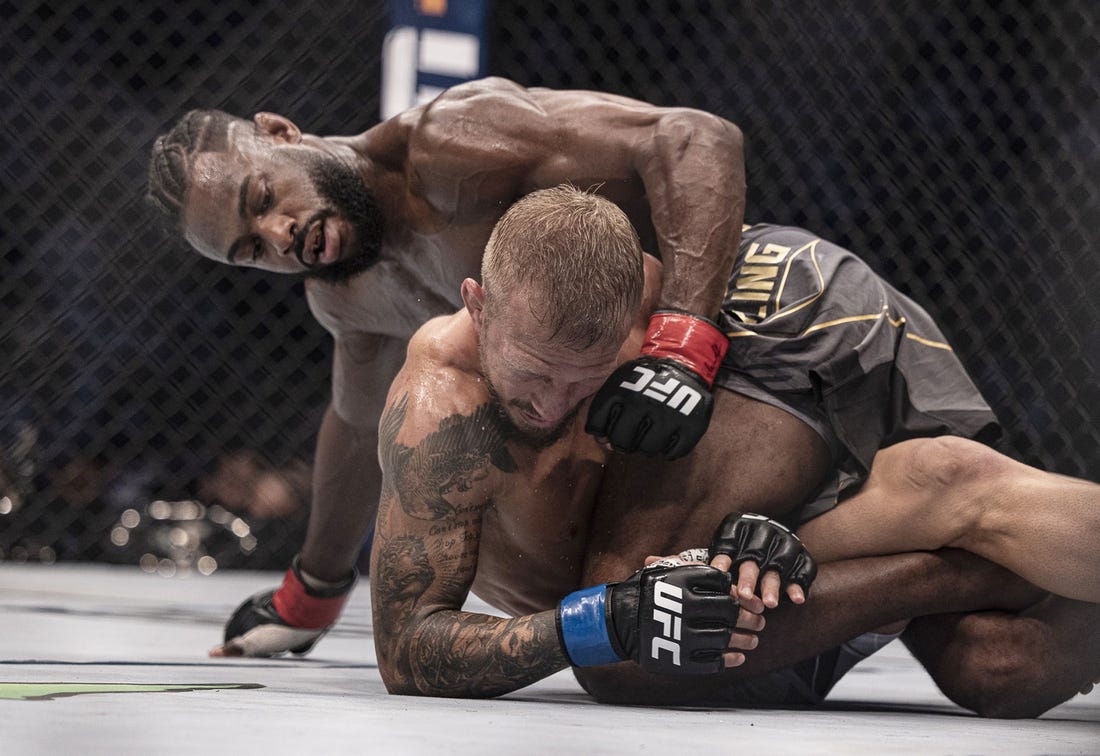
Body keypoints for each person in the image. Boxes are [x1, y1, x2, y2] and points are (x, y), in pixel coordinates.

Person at [370, 185, 1100, 713]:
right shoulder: (441, 414)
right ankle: (965, 549)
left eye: (587, 381)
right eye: (532, 372)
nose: (554, 405)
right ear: (477, 304)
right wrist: (603, 617)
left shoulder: (649, 313)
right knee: (1001, 669)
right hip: (713, 513)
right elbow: (407, 650)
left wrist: (683, 347)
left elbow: (699, 141)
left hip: (767, 322)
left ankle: (938, 501)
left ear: (634, 327)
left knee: (631, 657)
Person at [146, 77, 747, 655]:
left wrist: (683, 347)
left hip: (739, 334)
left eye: (264, 198)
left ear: (281, 133)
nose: (280, 237)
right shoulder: (342, 293)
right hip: (643, 439)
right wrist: (313, 590)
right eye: (253, 248)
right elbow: (357, 429)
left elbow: (693, 136)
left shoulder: (456, 143)